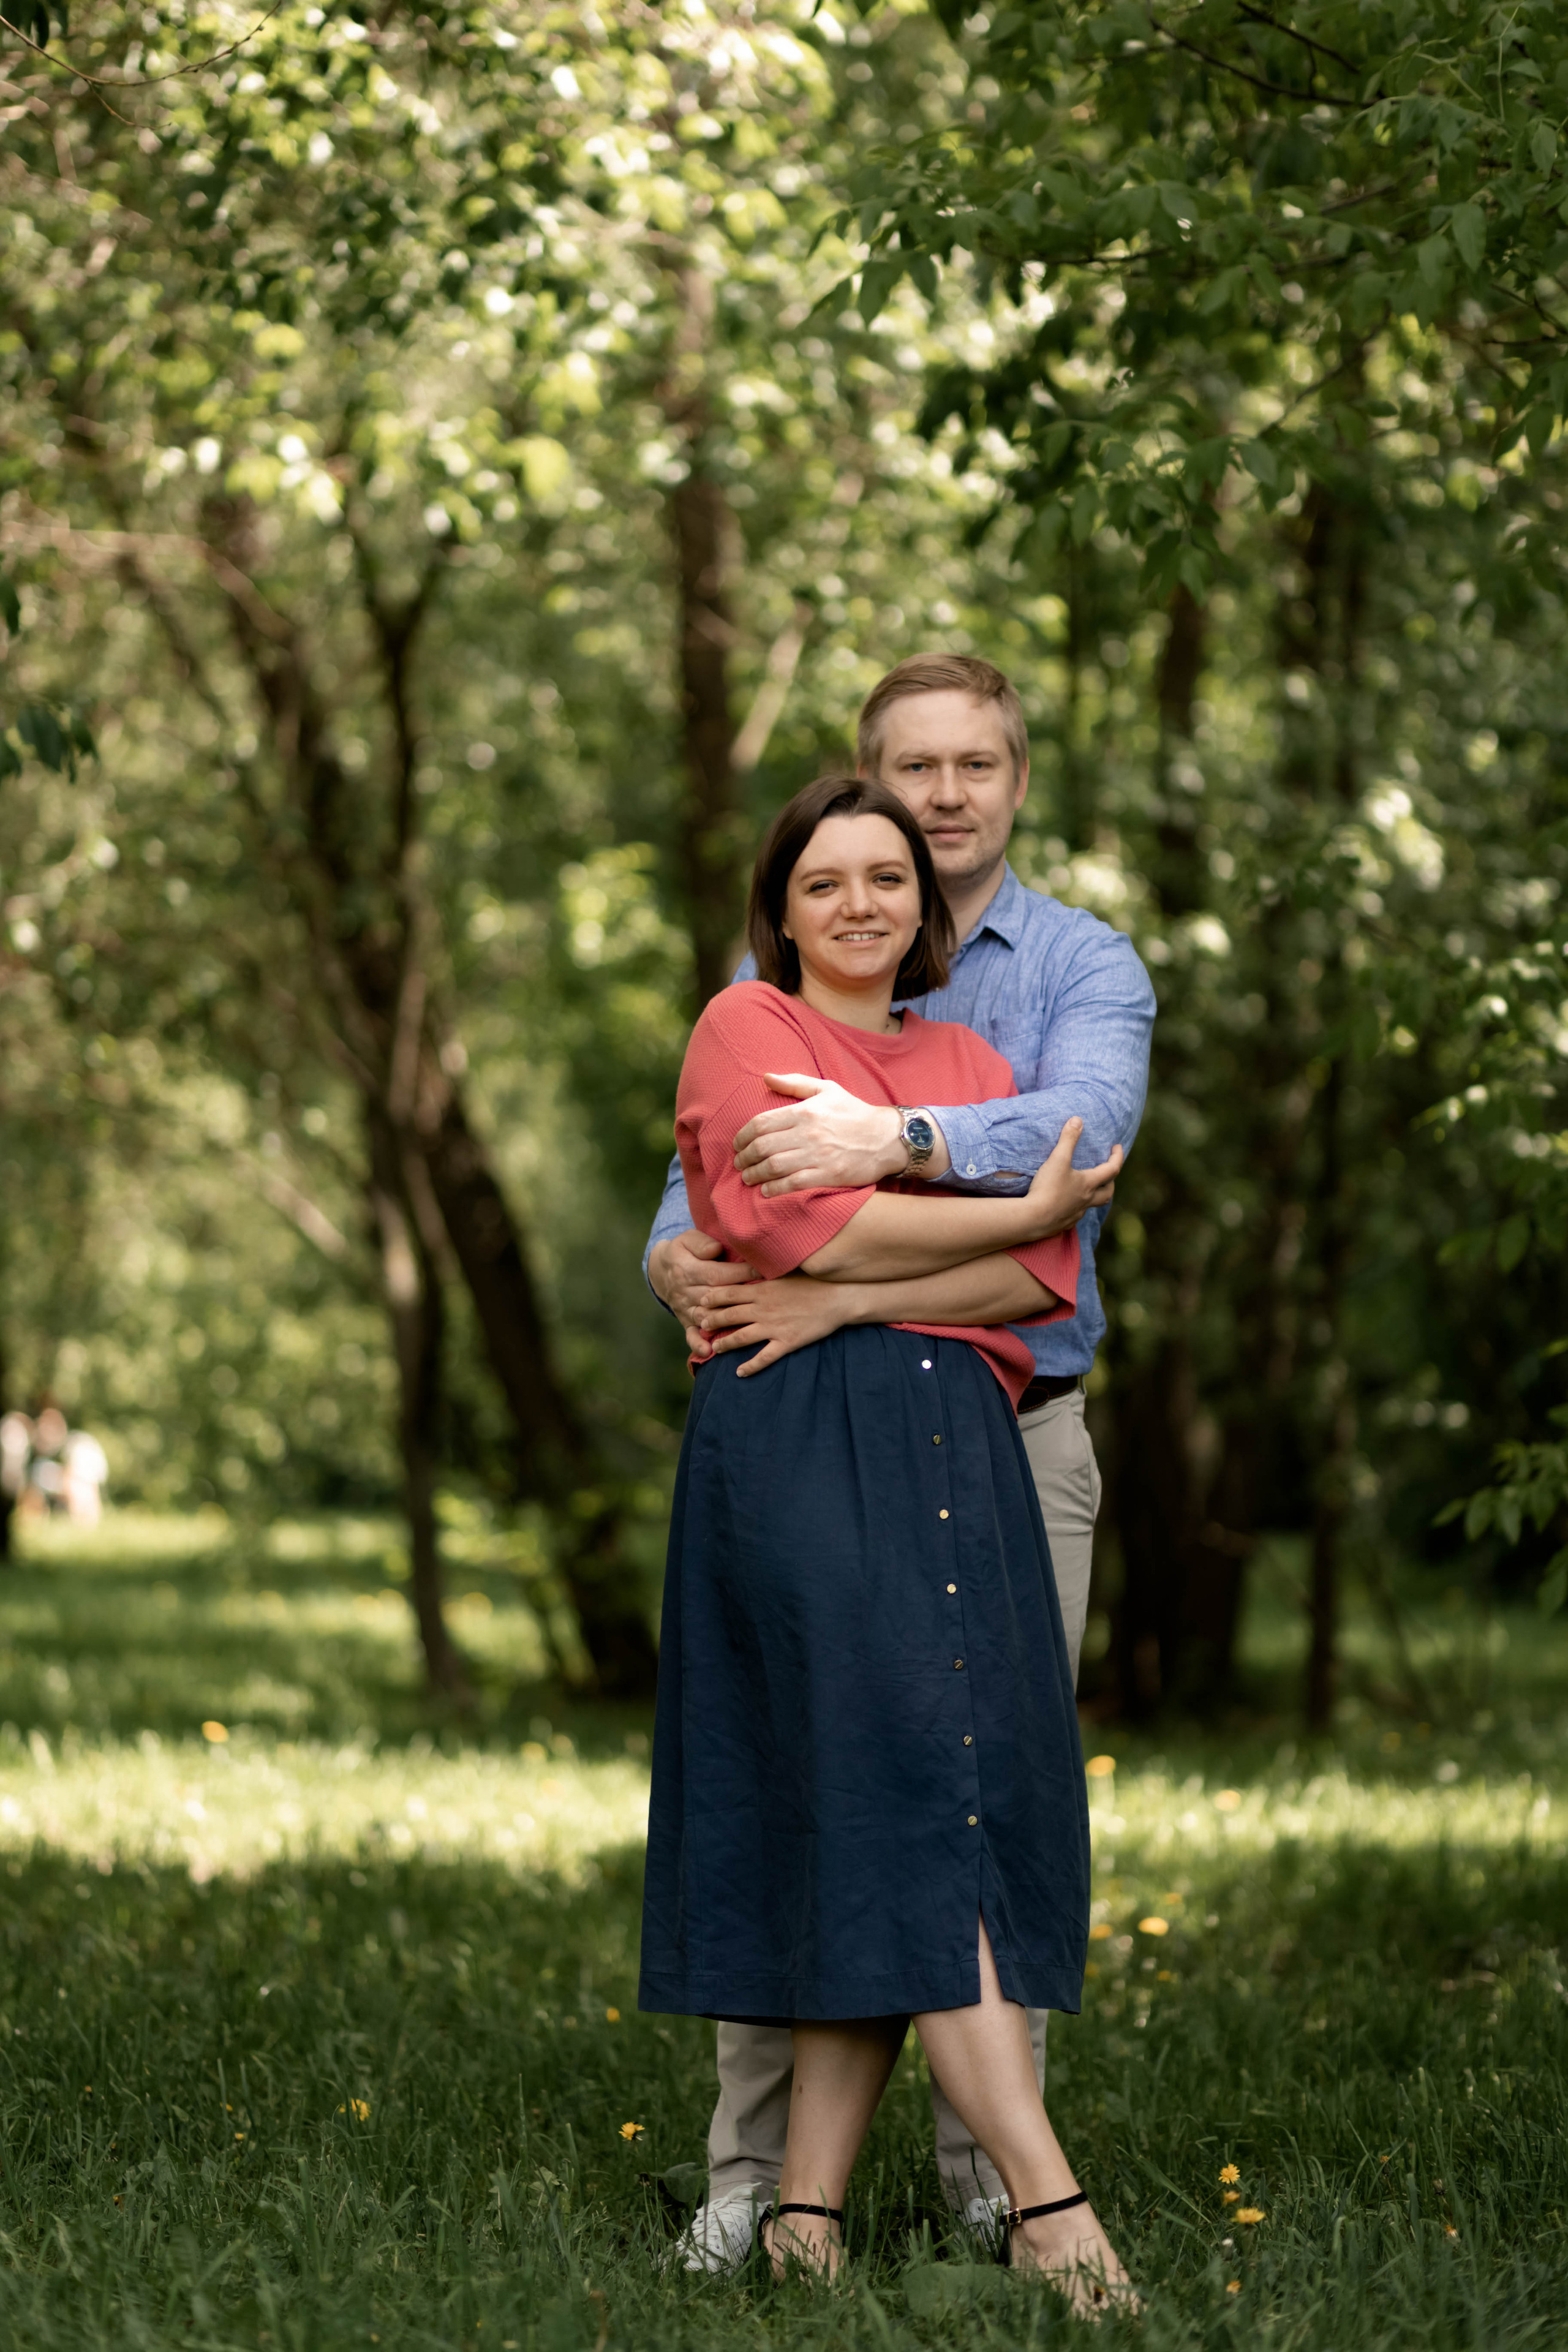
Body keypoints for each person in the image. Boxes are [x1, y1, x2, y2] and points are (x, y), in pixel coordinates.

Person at [644, 654, 1155, 2263]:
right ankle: (766, 2190)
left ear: (1016, 778)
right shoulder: (755, 1007)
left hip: (1005, 1439)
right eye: (907, 772)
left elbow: (1050, 1222)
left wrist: (903, 1178)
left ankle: (980, 2188)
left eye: (972, 767)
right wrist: (711, 1253)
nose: (940, 802)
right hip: (800, 1457)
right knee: (814, 1789)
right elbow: (733, 1216)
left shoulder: (1064, 982)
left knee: (967, 1803)